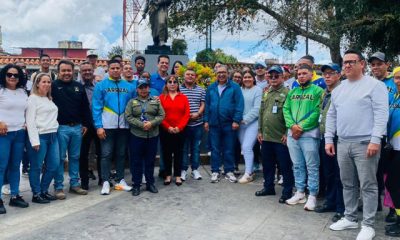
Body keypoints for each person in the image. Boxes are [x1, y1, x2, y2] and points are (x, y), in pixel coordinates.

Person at [326, 50, 388, 240]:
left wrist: (376, 139)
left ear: (362, 64)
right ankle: (350, 217)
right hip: (343, 143)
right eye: (344, 62)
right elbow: (332, 115)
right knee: (347, 183)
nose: (347, 65)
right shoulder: (338, 89)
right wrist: (329, 138)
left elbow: (381, 114)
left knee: (368, 185)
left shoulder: (375, 86)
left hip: (365, 143)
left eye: (351, 62)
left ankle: (368, 224)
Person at [283, 64, 324, 210]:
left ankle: (312, 195)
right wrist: (292, 126)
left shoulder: (319, 91)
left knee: (312, 166)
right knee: (297, 165)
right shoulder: (292, 92)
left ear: (311, 74)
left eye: (304, 73)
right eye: (299, 74)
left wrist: (301, 127)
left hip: (309, 135)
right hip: (292, 134)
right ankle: (300, 192)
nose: (301, 76)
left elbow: (317, 111)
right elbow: (285, 109)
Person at [93, 59, 135, 195]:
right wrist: (98, 126)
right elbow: (96, 107)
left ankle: (120, 180)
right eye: (113, 68)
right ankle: (105, 181)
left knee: (121, 154)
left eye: (118, 68)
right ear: (108, 69)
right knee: (106, 154)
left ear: (121, 69)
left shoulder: (129, 86)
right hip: (107, 126)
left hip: (124, 126)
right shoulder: (101, 85)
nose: (116, 70)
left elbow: (134, 105)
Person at [52, 60, 91, 199]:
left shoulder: (79, 86)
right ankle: (58, 187)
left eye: (69, 70)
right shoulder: (53, 86)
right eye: (63, 71)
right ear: (58, 72)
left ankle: (74, 184)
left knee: (75, 157)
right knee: (60, 158)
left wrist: (86, 124)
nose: (66, 73)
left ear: (73, 71)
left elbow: (85, 107)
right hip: (60, 128)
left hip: (77, 128)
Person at [255, 66, 294, 203]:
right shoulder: (266, 92)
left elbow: (292, 115)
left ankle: (287, 191)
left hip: (280, 137)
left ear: (282, 77)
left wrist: (287, 132)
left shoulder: (288, 93)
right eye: (270, 76)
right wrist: (259, 130)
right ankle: (268, 187)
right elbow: (261, 112)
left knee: (285, 166)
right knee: (267, 164)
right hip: (266, 136)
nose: (273, 78)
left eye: (276, 76)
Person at [314, 63, 344, 223]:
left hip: (340, 138)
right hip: (325, 137)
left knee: (341, 175)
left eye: (331, 73)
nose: (327, 76)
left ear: (339, 75)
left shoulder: (343, 92)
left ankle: (341, 208)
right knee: (329, 173)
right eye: (325, 74)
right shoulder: (325, 93)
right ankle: (331, 201)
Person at [204, 65, 244, 183]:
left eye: (223, 72)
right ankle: (215, 171)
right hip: (214, 123)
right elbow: (207, 105)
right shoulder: (211, 88)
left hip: (229, 123)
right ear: (216, 74)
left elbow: (239, 104)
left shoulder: (235, 87)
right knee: (215, 149)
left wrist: (236, 120)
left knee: (229, 149)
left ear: (228, 74)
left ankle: (229, 171)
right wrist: (206, 120)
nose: (221, 75)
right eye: (218, 73)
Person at [125, 78, 165, 196]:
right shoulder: (131, 102)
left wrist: (151, 123)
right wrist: (142, 125)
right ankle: (136, 185)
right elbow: (128, 117)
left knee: (150, 161)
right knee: (136, 161)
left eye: (145, 87)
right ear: (137, 89)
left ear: (149, 88)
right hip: (137, 135)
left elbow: (162, 115)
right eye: (141, 87)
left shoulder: (155, 101)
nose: (143, 90)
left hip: (152, 135)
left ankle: (150, 183)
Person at [368, 51, 395, 215]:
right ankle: (375, 203)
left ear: (387, 64)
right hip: (374, 135)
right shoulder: (369, 83)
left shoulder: (394, 81)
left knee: (391, 174)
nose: (376, 67)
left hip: (392, 136)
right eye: (373, 64)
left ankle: (393, 209)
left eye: (379, 64)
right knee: (375, 172)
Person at [26, 73, 60, 204]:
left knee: (54, 165)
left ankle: (44, 190)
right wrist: (34, 141)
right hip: (40, 136)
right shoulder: (32, 99)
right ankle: (36, 193)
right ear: (37, 83)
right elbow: (30, 121)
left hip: (53, 136)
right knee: (36, 167)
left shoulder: (48, 98)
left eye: (49, 82)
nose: (46, 84)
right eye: (43, 82)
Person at [0, 64, 29, 214]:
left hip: (19, 133)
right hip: (3, 134)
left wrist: (25, 123)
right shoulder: (1, 91)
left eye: (15, 75)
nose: (12, 77)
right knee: (1, 166)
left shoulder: (22, 92)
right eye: (9, 74)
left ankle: (14, 195)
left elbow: (26, 111)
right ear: (4, 75)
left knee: (15, 166)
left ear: (20, 78)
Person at [159, 75, 190, 185]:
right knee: (166, 153)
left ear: (177, 84)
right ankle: (168, 175)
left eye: (174, 82)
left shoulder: (183, 97)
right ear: (166, 84)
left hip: (180, 131)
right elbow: (159, 115)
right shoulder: (161, 98)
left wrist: (179, 127)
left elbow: (186, 115)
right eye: (170, 82)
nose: (172, 84)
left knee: (178, 154)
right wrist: (168, 127)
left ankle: (177, 175)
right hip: (165, 130)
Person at [78, 62, 102, 189]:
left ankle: (103, 179)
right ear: (80, 72)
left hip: (98, 124)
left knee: (101, 153)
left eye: (89, 70)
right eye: (84, 71)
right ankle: (84, 181)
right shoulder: (76, 87)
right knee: (83, 154)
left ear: (93, 72)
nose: (87, 72)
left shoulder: (99, 86)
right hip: (83, 126)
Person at [180, 68, 206, 181]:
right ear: (184, 76)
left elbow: (203, 104)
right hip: (183, 125)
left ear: (195, 77)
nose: (190, 76)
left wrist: (198, 113)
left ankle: (195, 169)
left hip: (197, 124)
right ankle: (183, 170)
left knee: (196, 148)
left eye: (192, 75)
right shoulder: (179, 89)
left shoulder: (201, 90)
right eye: (188, 74)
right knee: (184, 148)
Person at [237, 70, 262, 183]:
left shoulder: (257, 90)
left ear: (253, 78)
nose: (247, 79)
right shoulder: (240, 90)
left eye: (249, 77)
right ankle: (250, 169)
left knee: (247, 147)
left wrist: (245, 119)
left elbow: (257, 109)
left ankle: (248, 173)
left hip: (253, 123)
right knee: (245, 147)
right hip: (240, 124)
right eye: (245, 77)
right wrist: (238, 119)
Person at [384, 66, 400, 237]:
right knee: (393, 184)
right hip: (393, 147)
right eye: (396, 78)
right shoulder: (395, 96)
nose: (398, 81)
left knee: (394, 184)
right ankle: (398, 218)